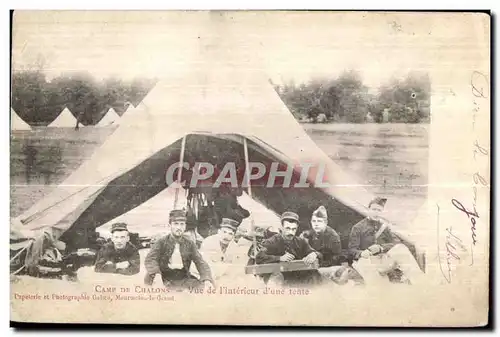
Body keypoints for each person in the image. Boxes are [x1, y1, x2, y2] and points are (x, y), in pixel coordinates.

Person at [348, 197, 425, 285]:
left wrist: (381, 248)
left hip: (382, 262)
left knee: (400, 249)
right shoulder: (358, 227)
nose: (376, 212)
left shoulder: (384, 227)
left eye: (379, 210)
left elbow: (394, 244)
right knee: (381, 290)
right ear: (368, 209)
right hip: (367, 262)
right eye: (373, 209)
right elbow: (351, 250)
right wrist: (361, 253)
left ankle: (421, 284)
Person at [144, 209, 214, 290]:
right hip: (163, 278)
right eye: (175, 224)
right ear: (169, 225)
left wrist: (207, 279)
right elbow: (150, 259)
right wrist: (157, 275)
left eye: (182, 224)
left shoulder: (190, 243)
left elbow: (200, 262)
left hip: (182, 278)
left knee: (205, 288)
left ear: (185, 226)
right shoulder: (161, 242)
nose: (179, 228)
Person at [255, 211, 321, 287]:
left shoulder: (300, 241)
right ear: (282, 227)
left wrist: (314, 254)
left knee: (314, 275)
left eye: (294, 229)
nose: (291, 233)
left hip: (295, 277)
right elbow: (259, 257)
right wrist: (279, 258)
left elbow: (318, 253)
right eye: (288, 228)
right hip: (277, 276)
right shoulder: (271, 241)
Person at [300, 206, 359, 285]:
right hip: (310, 266)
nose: (316, 224)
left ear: (326, 222)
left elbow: (335, 259)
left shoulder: (333, 237)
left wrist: (316, 259)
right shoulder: (307, 234)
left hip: (329, 268)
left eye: (319, 221)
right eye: (314, 221)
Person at [198, 217, 249, 281]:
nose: (226, 236)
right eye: (224, 232)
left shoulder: (235, 247)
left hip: (225, 278)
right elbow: (205, 266)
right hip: (207, 277)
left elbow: (237, 267)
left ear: (233, 236)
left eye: (230, 234)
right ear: (219, 232)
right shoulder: (208, 242)